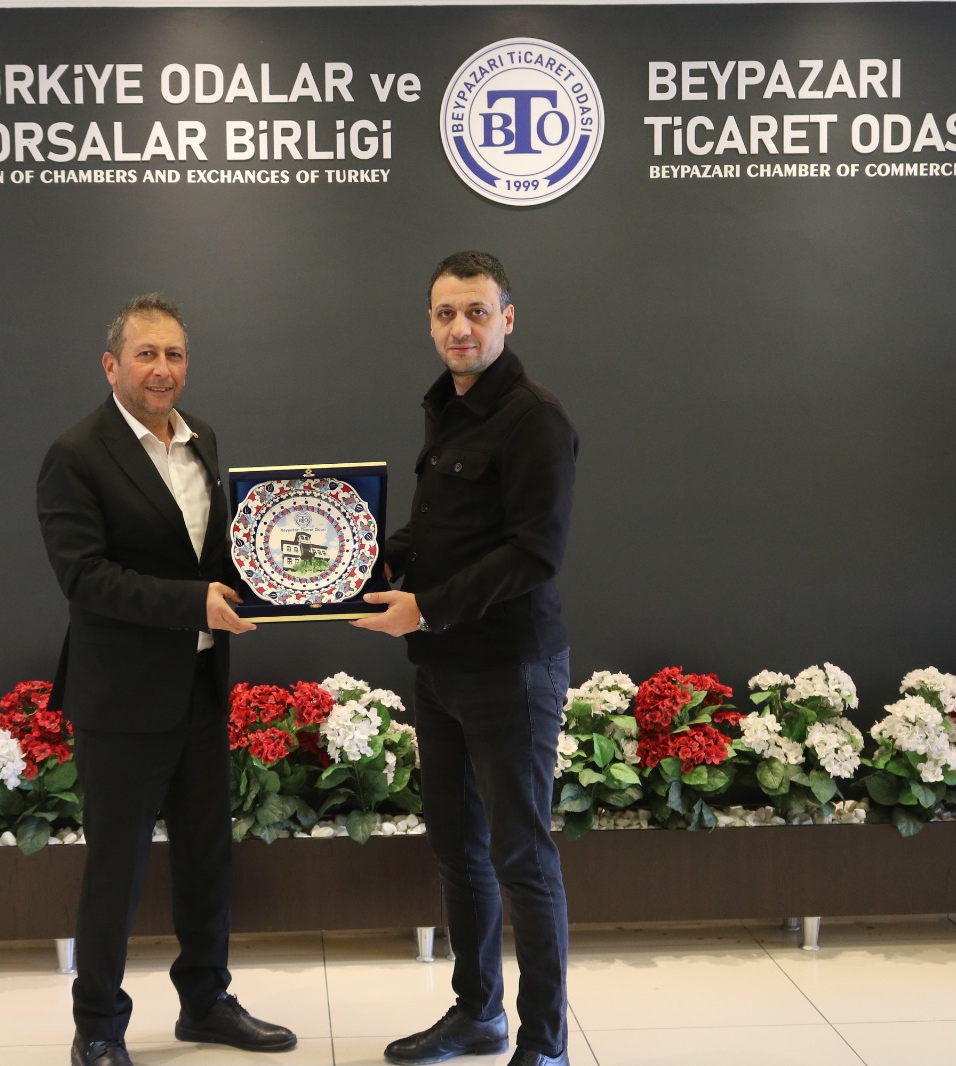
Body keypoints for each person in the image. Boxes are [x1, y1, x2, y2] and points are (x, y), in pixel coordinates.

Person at [37, 293, 297, 1066]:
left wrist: (290, 576)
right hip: (122, 698)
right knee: (116, 868)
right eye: (146, 354)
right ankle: (97, 1025)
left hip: (199, 687)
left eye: (174, 354)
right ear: (111, 365)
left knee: (207, 856)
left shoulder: (201, 440)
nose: (162, 369)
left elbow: (213, 557)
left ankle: (206, 1002)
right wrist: (194, 604)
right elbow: (85, 578)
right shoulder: (76, 455)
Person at [353, 252, 578, 1066]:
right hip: (441, 667)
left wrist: (426, 605)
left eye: (477, 312)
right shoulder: (447, 406)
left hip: (510, 670)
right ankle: (478, 1014)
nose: (460, 327)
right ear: (430, 321)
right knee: (458, 848)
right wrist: (376, 557)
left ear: (507, 318)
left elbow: (534, 551)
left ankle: (544, 1045)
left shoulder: (534, 418)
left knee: (521, 855)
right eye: (446, 313)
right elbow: (446, 529)